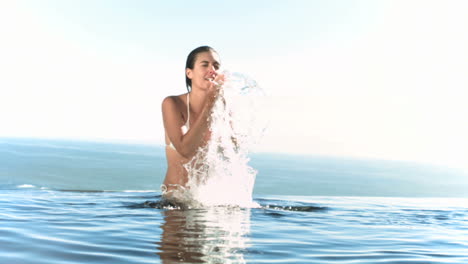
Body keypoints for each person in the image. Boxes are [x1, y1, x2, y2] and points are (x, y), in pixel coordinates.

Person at [161, 46, 225, 201]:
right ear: (189, 73)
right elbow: (185, 149)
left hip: (207, 203)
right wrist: (210, 103)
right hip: (176, 202)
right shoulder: (172, 104)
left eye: (216, 66)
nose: (212, 70)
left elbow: (233, 152)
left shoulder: (222, 109)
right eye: (205, 65)